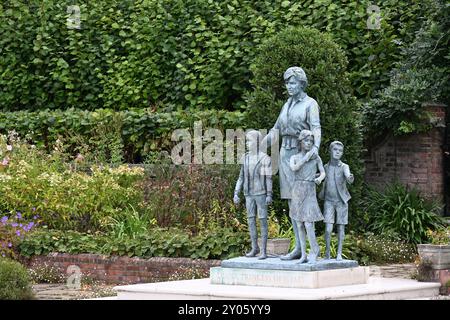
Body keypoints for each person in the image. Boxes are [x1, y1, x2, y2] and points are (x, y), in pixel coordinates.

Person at [261, 66, 321, 260]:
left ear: (301, 83)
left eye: (293, 82)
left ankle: (309, 250)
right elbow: (276, 128)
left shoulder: (310, 104)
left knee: (301, 202)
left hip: (300, 155)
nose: (289, 86)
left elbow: (316, 128)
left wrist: (315, 149)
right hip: (284, 154)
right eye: (287, 82)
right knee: (290, 202)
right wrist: (261, 145)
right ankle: (298, 248)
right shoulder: (286, 104)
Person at [234, 130, 273, 260]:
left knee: (262, 221)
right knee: (251, 221)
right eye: (246, 141)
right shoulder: (245, 158)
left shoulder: (264, 158)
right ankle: (254, 247)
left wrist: (269, 194)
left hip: (261, 193)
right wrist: (236, 193)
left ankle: (263, 250)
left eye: (249, 141)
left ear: (257, 142)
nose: (247, 144)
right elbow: (240, 177)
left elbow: (268, 178)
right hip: (248, 193)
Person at [289, 130, 325, 263]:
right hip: (297, 190)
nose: (309, 143)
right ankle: (303, 254)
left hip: (310, 189)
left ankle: (314, 250)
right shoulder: (294, 157)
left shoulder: (316, 157)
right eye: (306, 141)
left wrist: (320, 179)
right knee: (299, 224)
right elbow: (294, 168)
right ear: (301, 142)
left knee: (309, 224)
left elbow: (322, 172)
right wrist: (306, 158)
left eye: (311, 141)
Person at [319, 141, 354, 260]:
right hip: (328, 201)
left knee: (341, 227)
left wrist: (350, 177)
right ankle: (327, 252)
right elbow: (321, 177)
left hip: (341, 201)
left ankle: (339, 253)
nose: (338, 152)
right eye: (335, 150)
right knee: (328, 229)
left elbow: (348, 176)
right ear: (330, 151)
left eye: (340, 151)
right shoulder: (325, 167)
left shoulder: (344, 167)